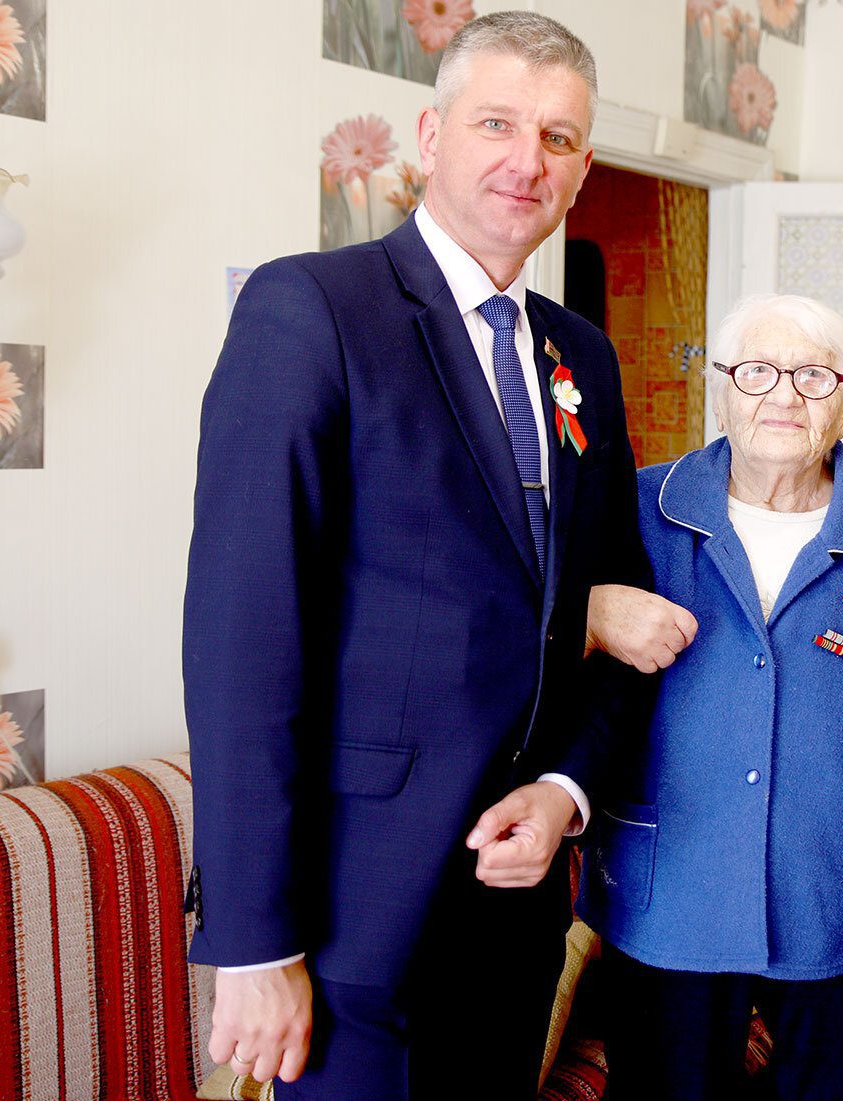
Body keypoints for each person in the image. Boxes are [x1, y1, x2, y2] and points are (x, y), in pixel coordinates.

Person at [182, 14, 692, 1098]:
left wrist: (563, 791)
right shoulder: (313, 309)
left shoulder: (583, 356)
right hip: (350, 918)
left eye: (558, 138)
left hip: (515, 912)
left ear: (581, 169)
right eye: (496, 123)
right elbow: (243, 638)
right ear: (429, 135)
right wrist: (256, 942)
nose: (526, 160)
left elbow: (612, 609)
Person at [577, 294, 843, 1101]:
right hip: (670, 899)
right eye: (758, 372)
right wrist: (588, 609)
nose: (783, 396)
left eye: (813, 376)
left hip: (834, 902)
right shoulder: (638, 512)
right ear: (722, 390)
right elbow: (530, 618)